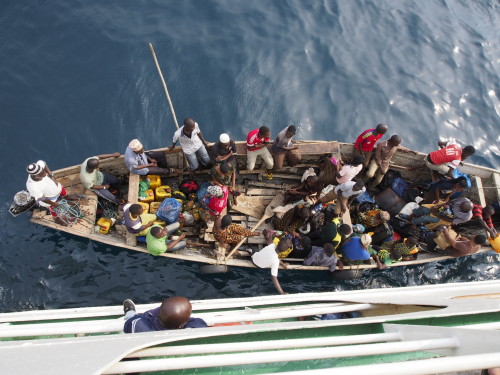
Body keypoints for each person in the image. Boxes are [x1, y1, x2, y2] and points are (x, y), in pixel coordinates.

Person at [26, 160, 79, 225]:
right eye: (42, 173)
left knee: (63, 192)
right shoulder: (32, 186)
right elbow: (42, 198)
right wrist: (54, 204)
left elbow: (43, 164)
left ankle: (67, 197)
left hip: (56, 187)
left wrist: (51, 175)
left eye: (43, 171)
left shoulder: (39, 167)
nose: (45, 174)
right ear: (36, 175)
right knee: (53, 209)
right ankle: (56, 218)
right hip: (51, 199)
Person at [123, 297, 207, 333]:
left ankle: (130, 313)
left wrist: (144, 316)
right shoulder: (198, 326)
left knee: (133, 317)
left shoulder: (139, 325)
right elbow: (197, 322)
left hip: (141, 322)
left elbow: (127, 326)